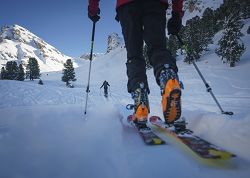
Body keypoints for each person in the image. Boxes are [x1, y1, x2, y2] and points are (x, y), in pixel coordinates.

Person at [88, 0, 184, 128]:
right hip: (156, 5)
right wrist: (177, 14)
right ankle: (168, 78)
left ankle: (140, 99)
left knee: (134, 55)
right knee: (158, 47)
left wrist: (93, 10)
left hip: (127, 7)